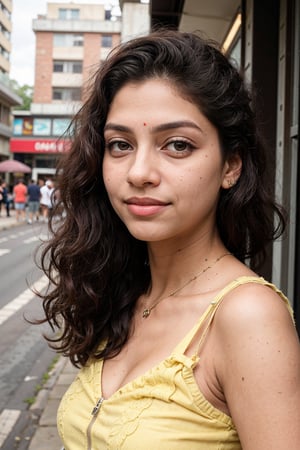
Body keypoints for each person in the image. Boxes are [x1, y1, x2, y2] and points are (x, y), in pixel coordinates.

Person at [37, 30, 300, 449]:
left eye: (177, 145)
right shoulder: (124, 292)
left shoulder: (248, 317)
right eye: (120, 144)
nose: (139, 172)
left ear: (231, 165)